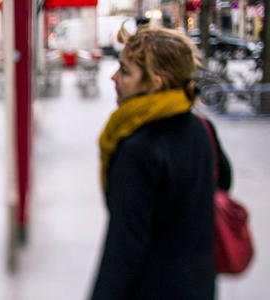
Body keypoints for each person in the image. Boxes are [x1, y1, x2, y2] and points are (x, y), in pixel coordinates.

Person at [91, 24, 232, 299]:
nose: (114, 76)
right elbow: (224, 181)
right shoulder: (202, 128)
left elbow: (123, 249)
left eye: (125, 71)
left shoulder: (138, 151)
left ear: (154, 84)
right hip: (200, 285)